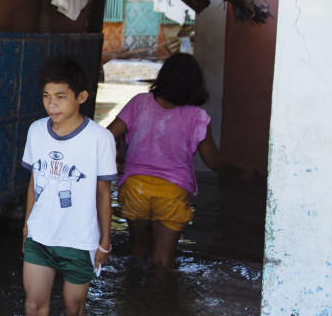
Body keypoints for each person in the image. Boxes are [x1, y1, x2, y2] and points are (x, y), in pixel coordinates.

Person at [107, 52, 257, 270]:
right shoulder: (197, 116)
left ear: (163, 77)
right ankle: (161, 302)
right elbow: (213, 161)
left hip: (134, 187)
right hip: (172, 192)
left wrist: (118, 158)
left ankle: (131, 297)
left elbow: (107, 135)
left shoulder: (139, 102)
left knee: (137, 251)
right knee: (162, 260)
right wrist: (243, 172)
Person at [21, 57, 118, 316]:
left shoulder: (100, 139)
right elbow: (34, 181)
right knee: (32, 307)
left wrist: (105, 242)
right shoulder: (36, 131)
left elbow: (103, 193)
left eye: (61, 97)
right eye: (47, 96)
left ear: (81, 96)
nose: (52, 104)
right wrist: (27, 226)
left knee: (73, 311)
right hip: (40, 236)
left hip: (80, 241)